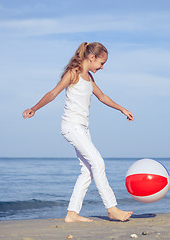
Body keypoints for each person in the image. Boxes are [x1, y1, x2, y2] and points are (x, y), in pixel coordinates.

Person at [22, 42, 134, 222]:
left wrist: (122, 109)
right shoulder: (73, 73)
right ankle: (112, 208)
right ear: (92, 58)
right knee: (98, 162)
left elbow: (102, 96)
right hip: (71, 127)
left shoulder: (89, 77)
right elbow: (53, 93)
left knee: (88, 171)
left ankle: (72, 213)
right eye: (101, 63)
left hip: (82, 128)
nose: (102, 67)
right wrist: (34, 108)